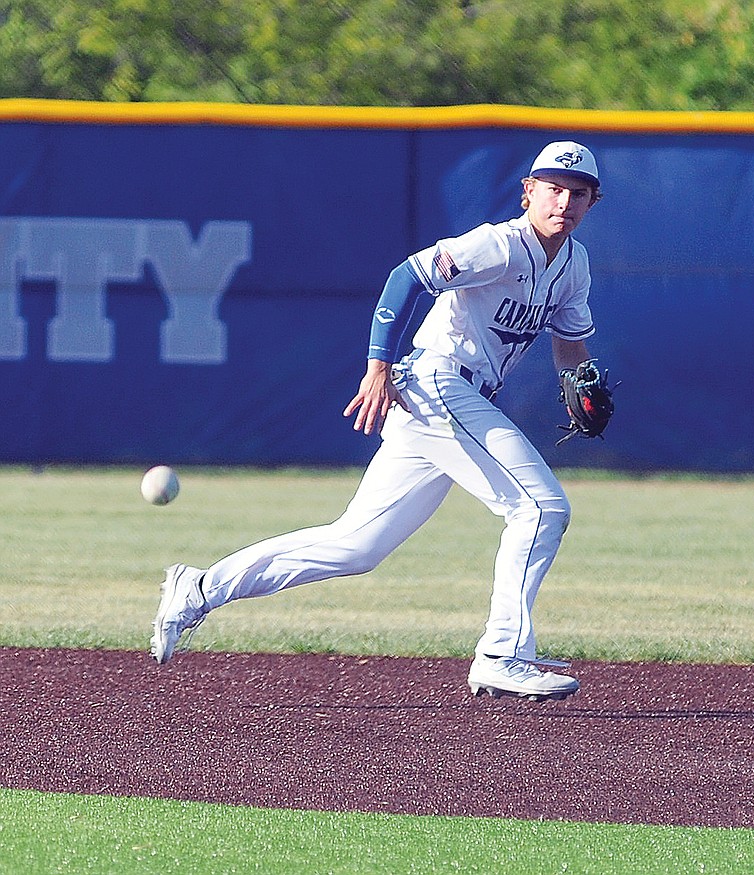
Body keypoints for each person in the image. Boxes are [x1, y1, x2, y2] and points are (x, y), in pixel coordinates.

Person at [150, 140, 604, 702]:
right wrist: (377, 367)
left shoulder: (573, 265)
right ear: (528, 191)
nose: (563, 201)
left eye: (577, 193)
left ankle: (197, 589)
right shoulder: (499, 245)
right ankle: (503, 653)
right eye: (553, 188)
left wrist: (579, 385)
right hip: (438, 382)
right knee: (541, 508)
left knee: (355, 546)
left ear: (592, 202)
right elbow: (404, 278)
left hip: (447, 401)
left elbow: (570, 343)